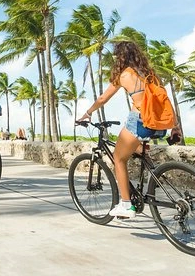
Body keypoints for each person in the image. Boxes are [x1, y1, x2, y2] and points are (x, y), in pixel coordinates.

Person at [76, 40, 180, 219]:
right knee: (133, 146)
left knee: (118, 158)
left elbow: (102, 98)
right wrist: (175, 126)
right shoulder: (150, 74)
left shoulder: (124, 75)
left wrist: (87, 113)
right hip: (159, 124)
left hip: (140, 121)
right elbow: (164, 100)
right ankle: (143, 156)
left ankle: (126, 205)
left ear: (120, 57)